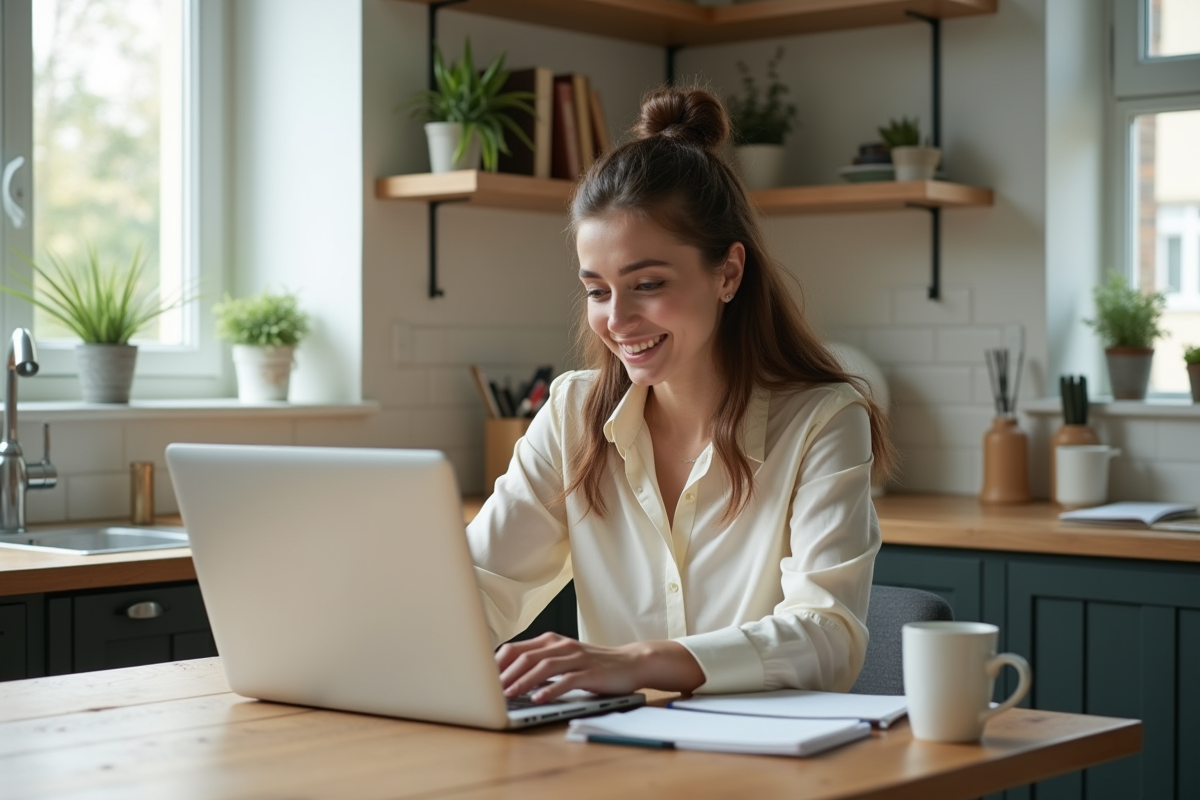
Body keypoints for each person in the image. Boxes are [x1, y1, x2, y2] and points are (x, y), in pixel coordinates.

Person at [466, 85, 896, 705]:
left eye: (647, 283)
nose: (618, 319)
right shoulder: (572, 415)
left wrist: (636, 663)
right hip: (614, 761)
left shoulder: (823, 421)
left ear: (728, 272)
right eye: (597, 290)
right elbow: (477, 588)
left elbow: (827, 639)